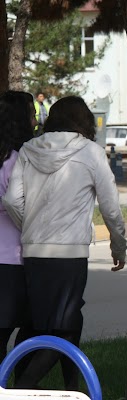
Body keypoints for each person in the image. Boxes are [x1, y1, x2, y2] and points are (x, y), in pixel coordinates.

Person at [2, 96, 127, 391]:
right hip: (70, 254)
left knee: (45, 323)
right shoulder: (91, 152)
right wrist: (118, 246)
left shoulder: (29, 150)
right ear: (84, 122)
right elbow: (110, 207)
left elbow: (12, 200)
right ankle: (23, 387)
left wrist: (30, 228)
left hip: (33, 253)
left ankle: (70, 387)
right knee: (65, 328)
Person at [0, 93, 35, 365]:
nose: (36, 121)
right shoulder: (18, 161)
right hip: (15, 259)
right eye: (32, 114)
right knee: (31, 328)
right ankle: (21, 382)